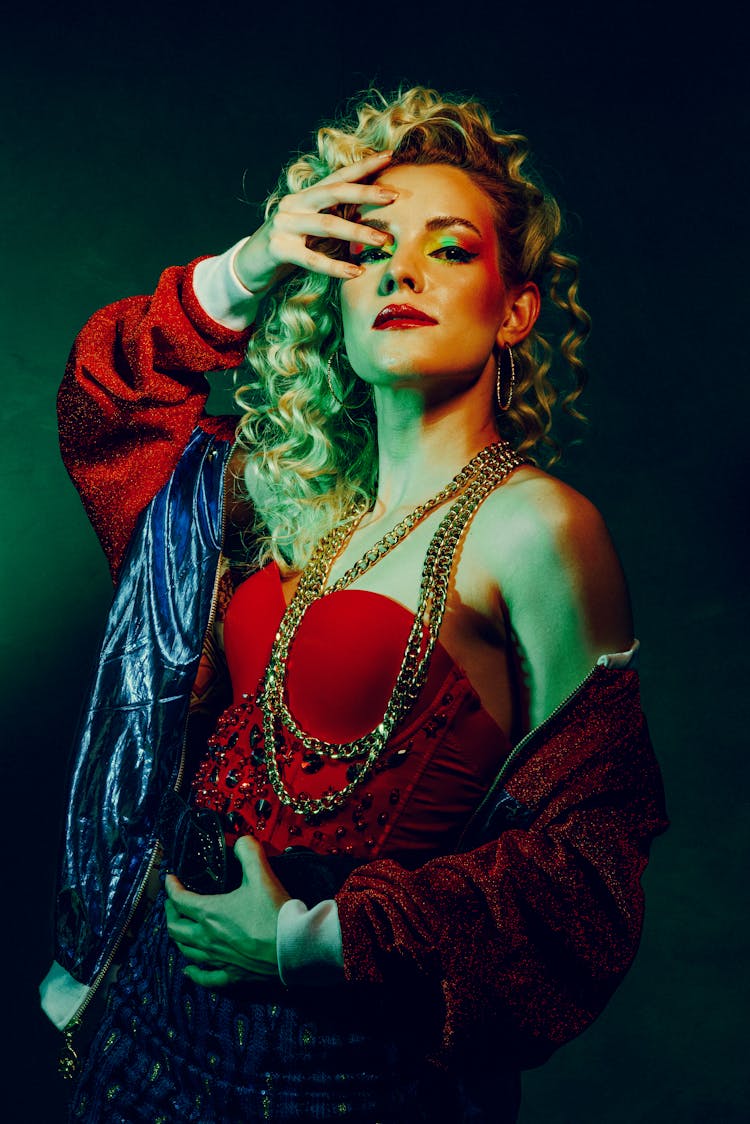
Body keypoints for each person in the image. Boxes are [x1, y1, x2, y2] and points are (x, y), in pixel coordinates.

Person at [41, 87, 668, 1122]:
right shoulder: (278, 500)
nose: (402, 270)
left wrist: (307, 946)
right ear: (331, 289)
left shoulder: (538, 527)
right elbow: (104, 409)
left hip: (344, 1071)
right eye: (371, 248)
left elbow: (585, 867)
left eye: (450, 249)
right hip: (146, 1030)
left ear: (516, 308)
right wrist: (246, 266)